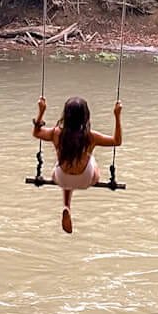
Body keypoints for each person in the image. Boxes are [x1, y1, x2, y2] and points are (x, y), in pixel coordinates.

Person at [32, 93, 122, 233]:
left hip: (62, 178)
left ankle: (67, 205)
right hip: (85, 179)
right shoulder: (91, 137)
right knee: (90, 160)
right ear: (85, 116)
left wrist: (41, 111)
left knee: (64, 165)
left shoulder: (56, 133)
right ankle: (68, 202)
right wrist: (117, 115)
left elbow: (36, 133)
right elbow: (117, 141)